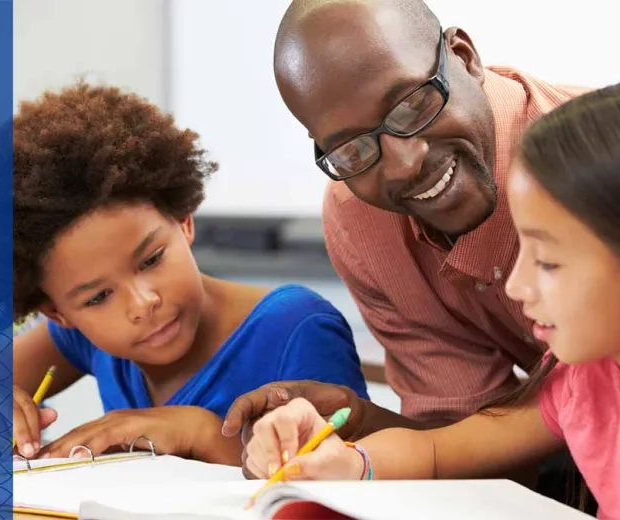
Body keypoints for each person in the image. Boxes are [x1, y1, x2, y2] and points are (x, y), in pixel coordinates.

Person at [221, 0, 592, 493]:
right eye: (352, 148)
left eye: (411, 106)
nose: (402, 164)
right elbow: (466, 450)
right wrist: (357, 435)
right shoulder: (362, 224)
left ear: (463, 57)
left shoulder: (597, 169)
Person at [244, 83, 620, 520]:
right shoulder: (585, 381)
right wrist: (350, 463)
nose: (516, 286)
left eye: (549, 262)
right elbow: (437, 450)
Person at [11, 83, 369, 466]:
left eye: (151, 260)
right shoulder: (82, 336)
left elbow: (343, 477)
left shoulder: (296, 329)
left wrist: (199, 432)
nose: (143, 303)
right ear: (58, 312)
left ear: (183, 221)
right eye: (98, 297)